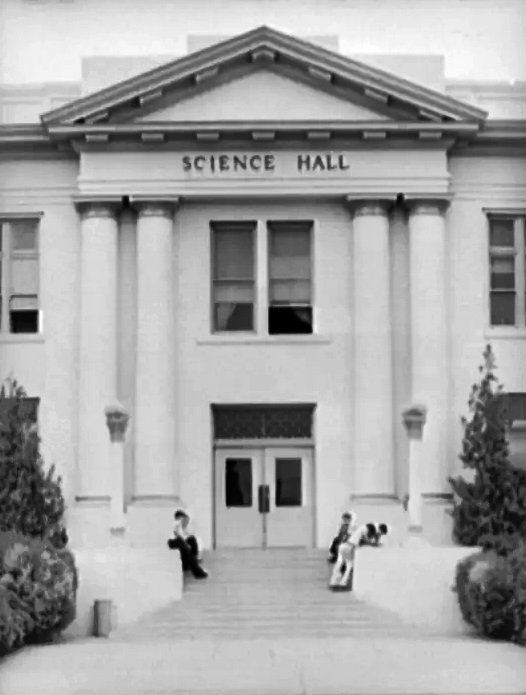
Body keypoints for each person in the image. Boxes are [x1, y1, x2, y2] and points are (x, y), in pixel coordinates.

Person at [167, 509, 208, 579]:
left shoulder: (179, 524)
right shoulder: (174, 523)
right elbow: (175, 535)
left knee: (192, 540)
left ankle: (191, 563)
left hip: (177, 539)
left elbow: (182, 534)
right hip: (171, 541)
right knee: (185, 546)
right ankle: (197, 571)